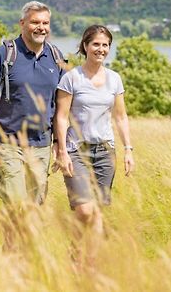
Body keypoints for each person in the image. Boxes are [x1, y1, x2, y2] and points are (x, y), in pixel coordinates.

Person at [54, 24, 134, 262]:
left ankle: (91, 265)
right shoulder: (71, 78)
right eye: (96, 44)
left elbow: (120, 116)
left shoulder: (114, 79)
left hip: (105, 153)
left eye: (105, 45)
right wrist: (62, 151)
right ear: (85, 46)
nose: (101, 49)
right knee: (85, 210)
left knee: (98, 212)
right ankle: (76, 251)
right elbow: (61, 116)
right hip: (76, 151)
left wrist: (128, 149)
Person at [0, 1, 63, 206]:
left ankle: (21, 240)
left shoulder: (55, 57)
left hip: (41, 144)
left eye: (45, 22)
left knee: (34, 207)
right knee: (16, 203)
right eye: (35, 22)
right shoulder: (5, 54)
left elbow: (60, 106)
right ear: (22, 23)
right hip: (7, 143)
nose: (41, 27)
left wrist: (58, 143)